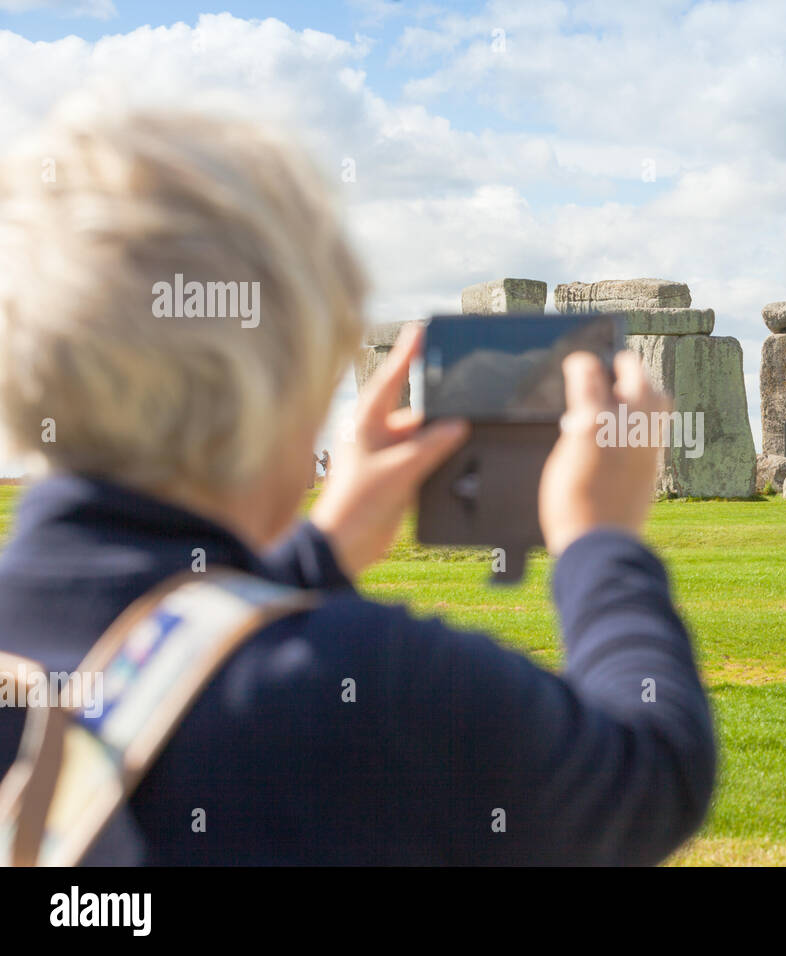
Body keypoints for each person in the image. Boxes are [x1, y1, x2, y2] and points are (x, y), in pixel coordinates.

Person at [0, 107, 714, 865]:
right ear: (284, 385)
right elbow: (650, 776)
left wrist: (320, 551)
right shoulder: (368, 686)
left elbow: (145, 641)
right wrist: (599, 538)